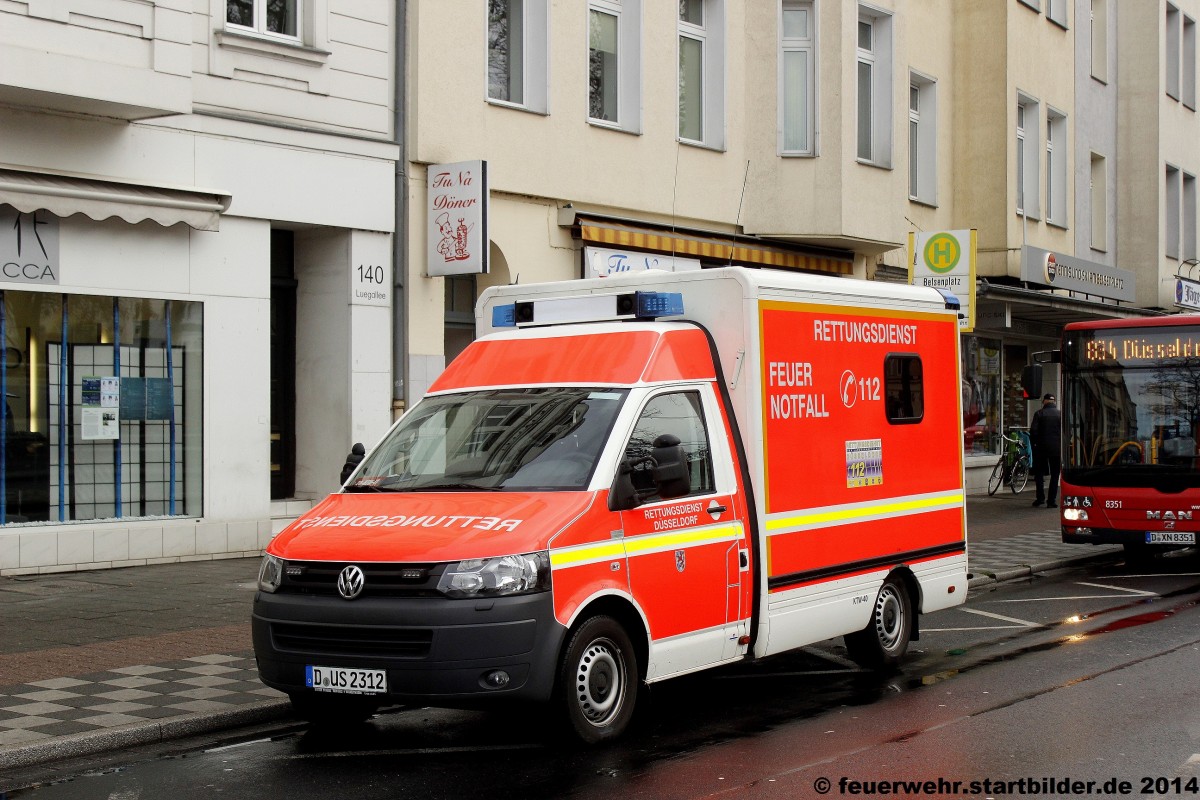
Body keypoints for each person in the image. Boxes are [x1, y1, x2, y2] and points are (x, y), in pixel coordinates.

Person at [1029, 393, 1062, 508]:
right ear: (1054, 402)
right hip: (1056, 448)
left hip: (1041, 448)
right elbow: (1067, 432)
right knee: (1055, 474)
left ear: (1044, 401)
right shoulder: (1060, 414)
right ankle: (1051, 501)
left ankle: (1040, 498)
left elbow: (1033, 431)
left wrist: (1035, 444)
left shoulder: (1039, 413)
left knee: (1039, 474)